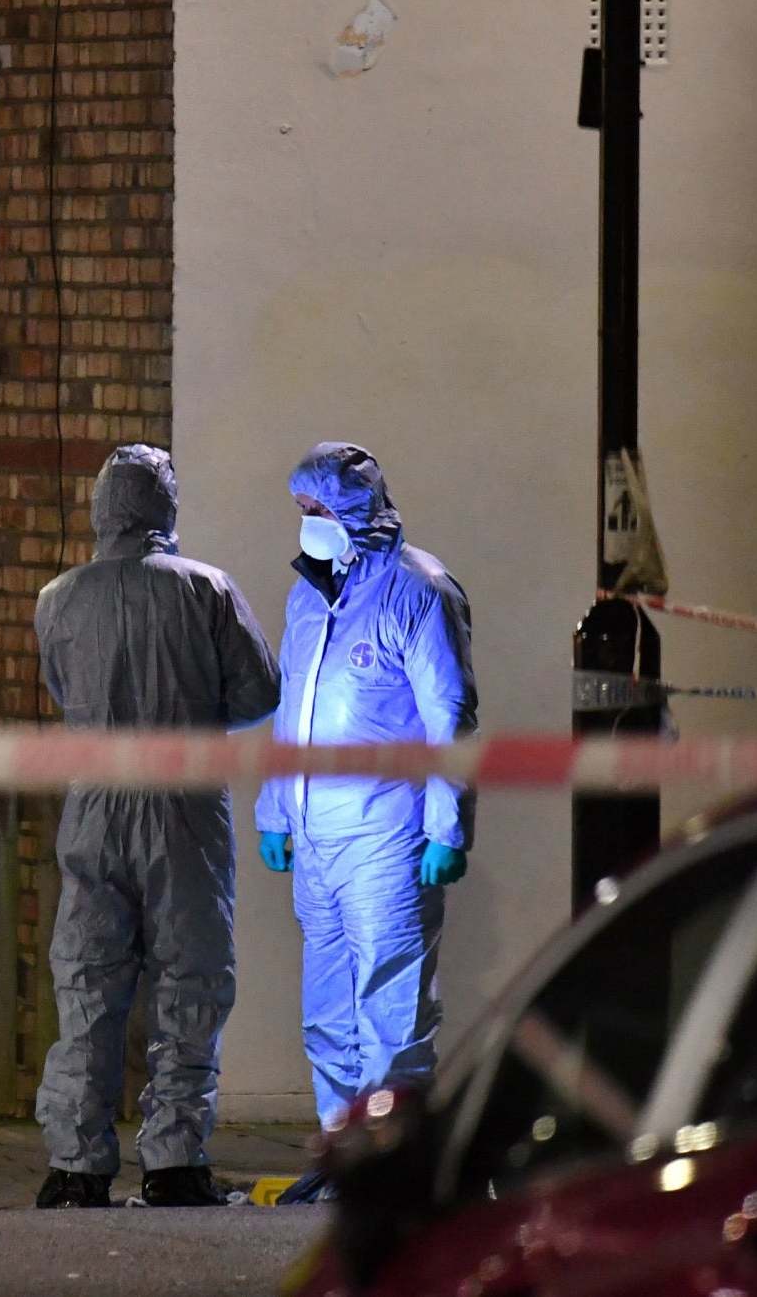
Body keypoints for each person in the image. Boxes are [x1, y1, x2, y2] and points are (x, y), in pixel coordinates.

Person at [32, 444, 282, 1209]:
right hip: (181, 805)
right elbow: (257, 692)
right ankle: (174, 1160)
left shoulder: (57, 598)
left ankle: (75, 1166)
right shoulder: (205, 590)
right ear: (164, 506)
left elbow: (60, 688)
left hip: (94, 801)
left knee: (86, 985)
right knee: (190, 981)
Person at [253, 443, 475, 1198]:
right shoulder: (310, 595)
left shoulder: (418, 592)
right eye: (300, 512)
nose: (305, 524)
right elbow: (292, 711)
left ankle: (399, 1176)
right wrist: (276, 808)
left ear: (351, 509)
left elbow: (449, 715)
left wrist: (446, 826)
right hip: (318, 836)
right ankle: (345, 1165)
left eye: (315, 510)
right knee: (327, 1013)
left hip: (387, 834)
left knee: (391, 1009)